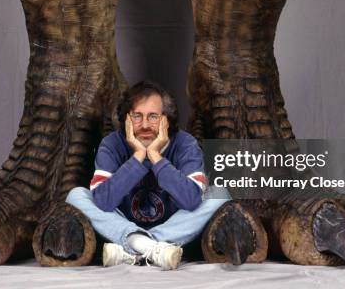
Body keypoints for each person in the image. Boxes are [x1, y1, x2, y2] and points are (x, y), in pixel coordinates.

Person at [65, 81, 231, 270]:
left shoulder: (186, 144)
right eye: (137, 116)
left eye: (153, 117)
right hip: (122, 222)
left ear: (166, 120)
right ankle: (152, 249)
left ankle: (133, 250)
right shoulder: (111, 145)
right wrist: (137, 158)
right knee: (77, 195)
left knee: (219, 193)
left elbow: (191, 200)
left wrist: (155, 157)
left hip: (173, 224)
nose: (144, 125)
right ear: (126, 119)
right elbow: (103, 201)